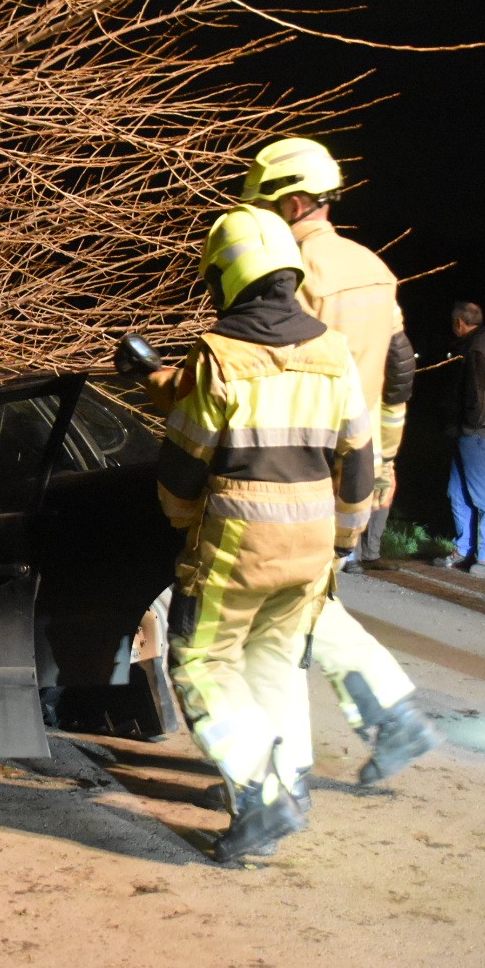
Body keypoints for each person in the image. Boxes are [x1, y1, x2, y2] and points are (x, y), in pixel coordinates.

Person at [157, 204, 373, 863]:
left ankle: (259, 797)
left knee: (200, 666)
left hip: (232, 553)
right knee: (275, 667)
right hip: (309, 554)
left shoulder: (219, 357)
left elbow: (181, 476)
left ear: (226, 277)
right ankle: (292, 790)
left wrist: (185, 525)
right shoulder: (335, 353)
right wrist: (340, 542)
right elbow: (360, 464)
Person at [240, 137, 442, 786]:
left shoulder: (288, 271)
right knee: (305, 598)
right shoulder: (375, 269)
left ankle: (292, 768)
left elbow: (270, 369)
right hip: (355, 463)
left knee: (281, 607)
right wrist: (387, 456)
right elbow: (401, 368)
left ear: (295, 201)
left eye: (266, 206)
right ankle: (388, 716)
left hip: (296, 465)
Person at [438, 300, 485, 575]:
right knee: (457, 493)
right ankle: (464, 550)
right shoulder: (477, 344)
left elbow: (479, 397)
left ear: (459, 323)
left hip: (476, 433)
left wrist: (469, 427)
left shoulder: (477, 348)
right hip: (467, 432)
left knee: (483, 497)